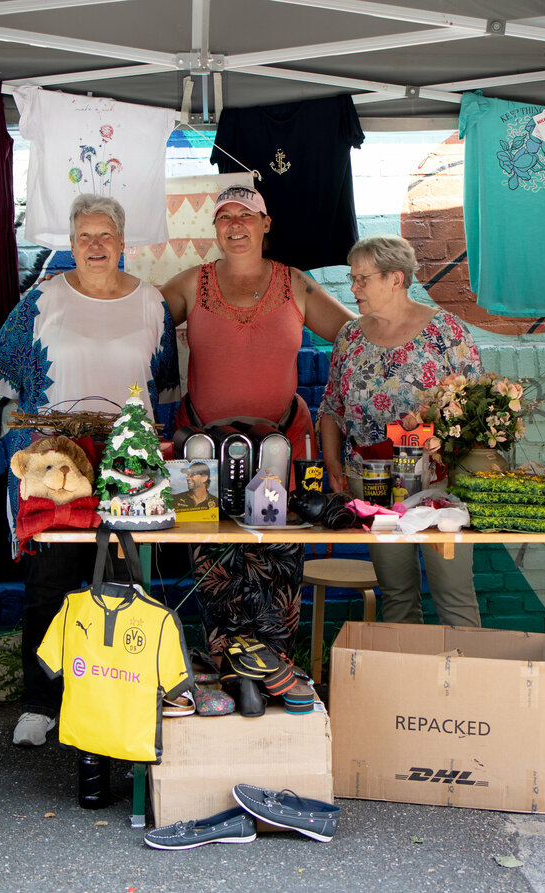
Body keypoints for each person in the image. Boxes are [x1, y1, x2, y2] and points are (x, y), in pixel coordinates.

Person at [0, 194, 179, 746]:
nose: (95, 246)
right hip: (56, 465)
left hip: (126, 464)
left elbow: (162, 384)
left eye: (105, 236)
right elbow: (5, 381)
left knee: (122, 583)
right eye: (83, 237)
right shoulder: (41, 301)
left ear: (123, 242)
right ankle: (41, 703)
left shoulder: (151, 304)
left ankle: (116, 696)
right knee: (49, 583)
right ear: (70, 244)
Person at [160, 184, 353, 662]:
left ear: (266, 224)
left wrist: (407, 329)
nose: (235, 225)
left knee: (279, 562)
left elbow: (353, 336)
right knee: (209, 563)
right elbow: (133, 322)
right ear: (215, 230)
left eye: (245, 215)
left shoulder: (297, 284)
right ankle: (225, 672)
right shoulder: (191, 283)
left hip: (282, 446)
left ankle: (276, 670)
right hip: (199, 451)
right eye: (224, 217)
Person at [318, 235, 484, 628]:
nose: (353, 288)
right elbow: (331, 408)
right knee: (396, 591)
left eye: (362, 279)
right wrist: (333, 468)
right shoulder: (350, 337)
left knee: (453, 588)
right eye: (352, 277)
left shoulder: (446, 332)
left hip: (437, 482)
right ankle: (404, 682)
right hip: (371, 483)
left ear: (395, 278)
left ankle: (469, 683)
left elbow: (476, 408)